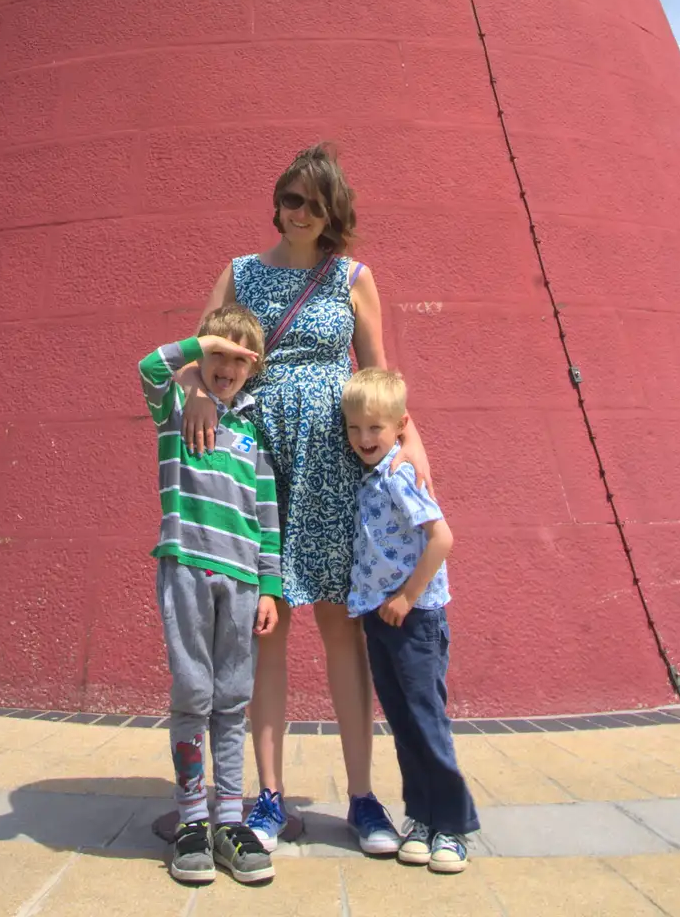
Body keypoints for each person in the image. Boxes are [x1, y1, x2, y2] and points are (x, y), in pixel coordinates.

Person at [183, 144, 432, 855]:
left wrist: (412, 448)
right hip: (254, 458)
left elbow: (379, 376)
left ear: (332, 211)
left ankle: (362, 798)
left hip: (331, 462)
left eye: (311, 204)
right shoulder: (240, 273)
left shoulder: (351, 277)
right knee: (265, 625)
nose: (295, 214)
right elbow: (197, 353)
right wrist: (201, 393)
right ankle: (265, 796)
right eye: (288, 199)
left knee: (340, 627)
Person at [139, 303, 281, 886]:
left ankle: (229, 815)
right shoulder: (176, 408)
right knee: (194, 690)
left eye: (239, 359)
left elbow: (267, 516)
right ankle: (192, 815)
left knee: (232, 696)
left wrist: (269, 586)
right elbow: (150, 367)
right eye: (218, 355)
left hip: (243, 580)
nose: (226, 366)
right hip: (187, 567)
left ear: (254, 367)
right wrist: (199, 351)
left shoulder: (253, 433)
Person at [342, 366, 479, 873]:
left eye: (374, 428)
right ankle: (421, 817)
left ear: (400, 425)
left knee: (426, 720)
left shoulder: (402, 473)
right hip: (382, 615)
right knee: (402, 722)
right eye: (354, 429)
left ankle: (453, 826)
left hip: (414, 615)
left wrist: (406, 596)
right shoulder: (372, 475)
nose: (363, 439)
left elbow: (442, 538)